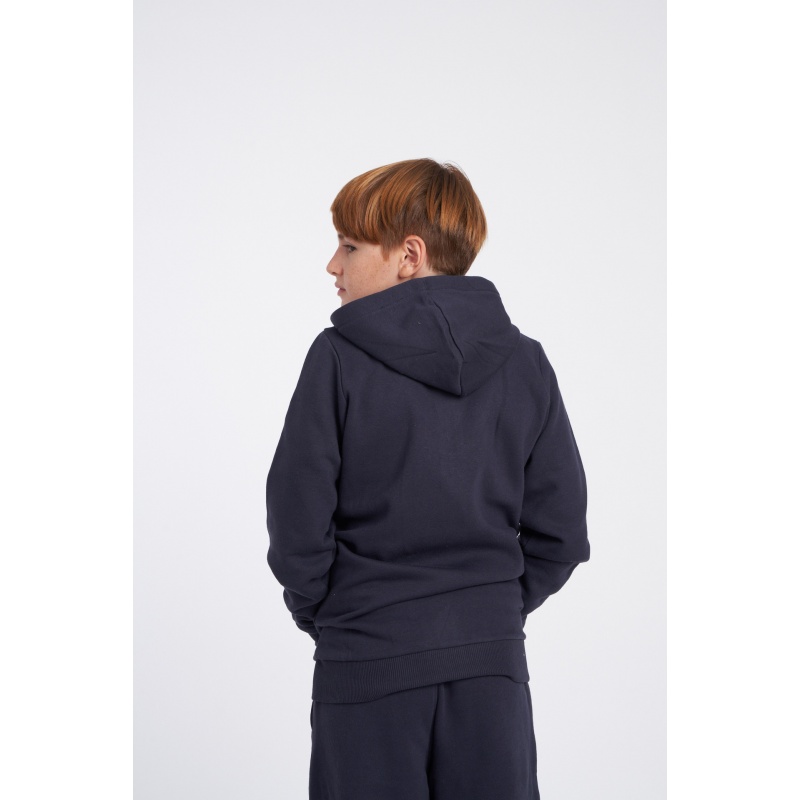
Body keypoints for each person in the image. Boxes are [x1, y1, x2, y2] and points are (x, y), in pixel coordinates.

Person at [265, 157, 590, 800]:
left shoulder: (337, 358)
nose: (332, 265)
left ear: (408, 256)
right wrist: (485, 608)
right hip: (490, 666)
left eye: (349, 246)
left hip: (367, 661)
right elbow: (562, 534)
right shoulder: (525, 362)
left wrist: (335, 614)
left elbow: (297, 521)